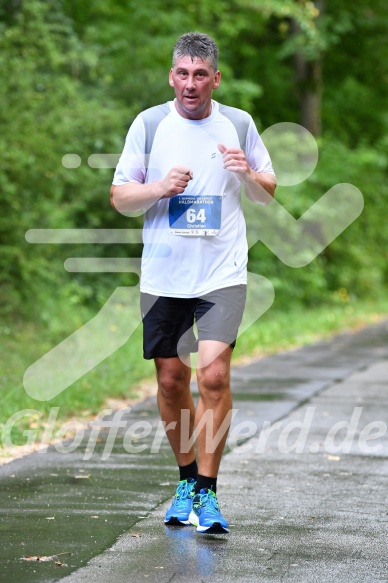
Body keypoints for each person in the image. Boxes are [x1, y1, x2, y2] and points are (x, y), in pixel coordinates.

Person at [110, 32, 276, 534]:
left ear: (215, 78)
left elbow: (267, 193)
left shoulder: (239, 124)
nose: (190, 83)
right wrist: (159, 188)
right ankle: (185, 480)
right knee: (170, 380)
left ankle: (208, 491)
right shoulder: (150, 124)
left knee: (214, 377)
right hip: (165, 274)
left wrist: (246, 173)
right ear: (171, 76)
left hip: (222, 273)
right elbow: (120, 197)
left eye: (200, 74)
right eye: (182, 73)